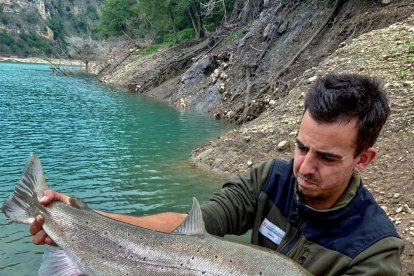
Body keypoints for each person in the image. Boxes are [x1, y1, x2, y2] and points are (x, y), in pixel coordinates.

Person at [30, 73, 404, 275]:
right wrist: (80, 218)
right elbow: (190, 225)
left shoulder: (373, 252)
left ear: (363, 158)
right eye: (301, 146)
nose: (304, 168)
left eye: (326, 157)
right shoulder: (269, 179)